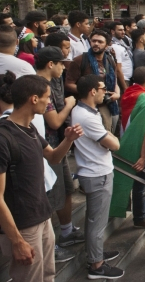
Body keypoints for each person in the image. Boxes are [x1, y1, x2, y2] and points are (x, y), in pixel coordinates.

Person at [0, 75, 83, 282]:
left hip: (42, 216)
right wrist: (17, 241)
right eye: (47, 98)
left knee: (47, 276)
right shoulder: (4, 137)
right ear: (34, 99)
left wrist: (68, 140)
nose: (49, 103)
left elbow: (53, 156)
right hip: (23, 225)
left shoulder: (30, 129)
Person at [70, 75, 124, 279]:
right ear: (93, 91)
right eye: (103, 89)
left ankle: (96, 253)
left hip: (95, 170)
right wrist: (111, 139)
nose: (106, 93)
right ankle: (96, 265)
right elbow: (114, 144)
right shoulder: (87, 117)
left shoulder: (83, 111)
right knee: (97, 222)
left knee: (96, 221)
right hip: (96, 173)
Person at [35, 47, 85, 256]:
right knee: (50, 195)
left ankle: (65, 231)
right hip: (46, 148)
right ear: (50, 64)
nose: (64, 67)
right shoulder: (37, 86)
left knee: (65, 189)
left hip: (57, 145)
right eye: (61, 63)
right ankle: (49, 246)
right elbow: (54, 121)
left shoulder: (51, 82)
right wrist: (70, 104)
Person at [112, 66, 145, 228]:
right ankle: (140, 216)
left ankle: (141, 209)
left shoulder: (128, 93)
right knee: (142, 183)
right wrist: (144, 155)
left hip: (128, 141)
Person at [65, 29, 121, 133]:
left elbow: (115, 81)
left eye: (100, 42)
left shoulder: (110, 60)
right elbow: (69, 84)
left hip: (107, 104)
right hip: (87, 107)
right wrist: (89, 92)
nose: (96, 44)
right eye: (94, 41)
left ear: (107, 45)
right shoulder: (80, 60)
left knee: (109, 134)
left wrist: (117, 93)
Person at [109, 21, 133, 89]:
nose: (123, 32)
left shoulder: (123, 41)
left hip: (128, 79)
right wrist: (125, 87)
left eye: (123, 30)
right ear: (113, 31)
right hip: (123, 80)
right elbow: (118, 69)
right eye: (120, 30)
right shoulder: (114, 46)